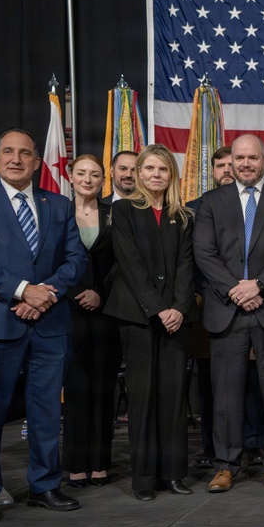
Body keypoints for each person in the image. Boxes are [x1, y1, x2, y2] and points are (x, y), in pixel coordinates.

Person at [0, 128, 86, 523]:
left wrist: (47, 294)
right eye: (8, 152)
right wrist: (24, 291)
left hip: (50, 323)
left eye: (25, 153)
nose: (16, 158)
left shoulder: (59, 205)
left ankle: (45, 485)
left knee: (46, 411)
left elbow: (75, 261)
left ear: (37, 162)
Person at [193, 134, 264, 493]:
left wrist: (257, 286)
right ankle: (225, 465)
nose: (245, 164)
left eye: (252, 158)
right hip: (227, 307)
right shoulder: (211, 202)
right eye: (239, 158)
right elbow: (204, 254)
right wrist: (235, 289)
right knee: (226, 393)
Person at [104, 144, 195, 501]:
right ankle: (144, 479)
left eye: (163, 170)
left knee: (173, 399)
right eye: (150, 169)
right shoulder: (124, 210)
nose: (156, 175)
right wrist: (158, 308)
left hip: (176, 319)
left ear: (171, 175)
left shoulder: (183, 216)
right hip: (138, 317)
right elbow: (130, 264)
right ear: (139, 174)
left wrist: (179, 309)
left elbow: (187, 268)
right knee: (142, 399)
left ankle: (173, 474)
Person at [187, 147, 264, 470]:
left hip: (255, 303)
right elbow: (194, 258)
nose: (227, 170)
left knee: (252, 381)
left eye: (229, 164)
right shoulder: (195, 209)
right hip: (210, 303)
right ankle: (212, 447)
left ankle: (255, 444)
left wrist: (250, 289)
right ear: (215, 169)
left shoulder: (257, 204)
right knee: (212, 385)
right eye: (220, 165)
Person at [61, 155, 122, 488]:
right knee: (77, 388)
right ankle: (75, 463)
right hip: (68, 312)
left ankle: (100, 463)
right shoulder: (58, 213)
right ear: (70, 177)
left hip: (106, 311)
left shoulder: (115, 215)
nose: (88, 179)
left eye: (95, 174)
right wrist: (75, 292)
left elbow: (123, 261)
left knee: (103, 387)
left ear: (104, 180)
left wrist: (99, 292)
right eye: (81, 173)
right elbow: (49, 260)